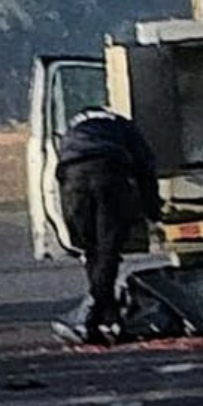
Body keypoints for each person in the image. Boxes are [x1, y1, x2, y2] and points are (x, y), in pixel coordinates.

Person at [55, 106, 160, 344]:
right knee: (108, 251)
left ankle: (106, 318)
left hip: (73, 181)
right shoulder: (123, 124)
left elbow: (59, 168)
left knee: (93, 253)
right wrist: (152, 208)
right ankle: (92, 315)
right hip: (110, 175)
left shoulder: (73, 125)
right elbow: (145, 165)